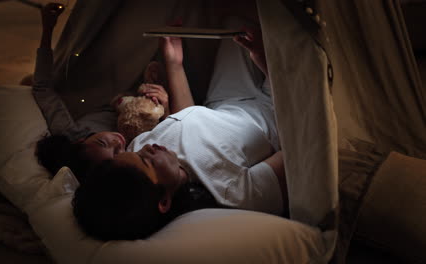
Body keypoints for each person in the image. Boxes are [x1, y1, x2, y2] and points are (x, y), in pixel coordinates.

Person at [72, 15, 288, 241]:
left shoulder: (141, 148)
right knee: (284, 36)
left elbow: (183, 121)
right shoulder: (232, 193)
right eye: (146, 161)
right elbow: (300, 145)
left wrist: (174, 63)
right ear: (164, 200)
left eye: (131, 153)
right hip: (278, 112)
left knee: (238, 24)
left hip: (225, 101)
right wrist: (266, 63)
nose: (148, 147)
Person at [33, 3, 169, 178]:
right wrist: (166, 107)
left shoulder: (70, 131)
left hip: (102, 86)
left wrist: (47, 28)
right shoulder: (135, 152)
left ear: (81, 142)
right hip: (141, 95)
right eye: (118, 152)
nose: (117, 142)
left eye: (104, 143)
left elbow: (42, 88)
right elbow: (168, 130)